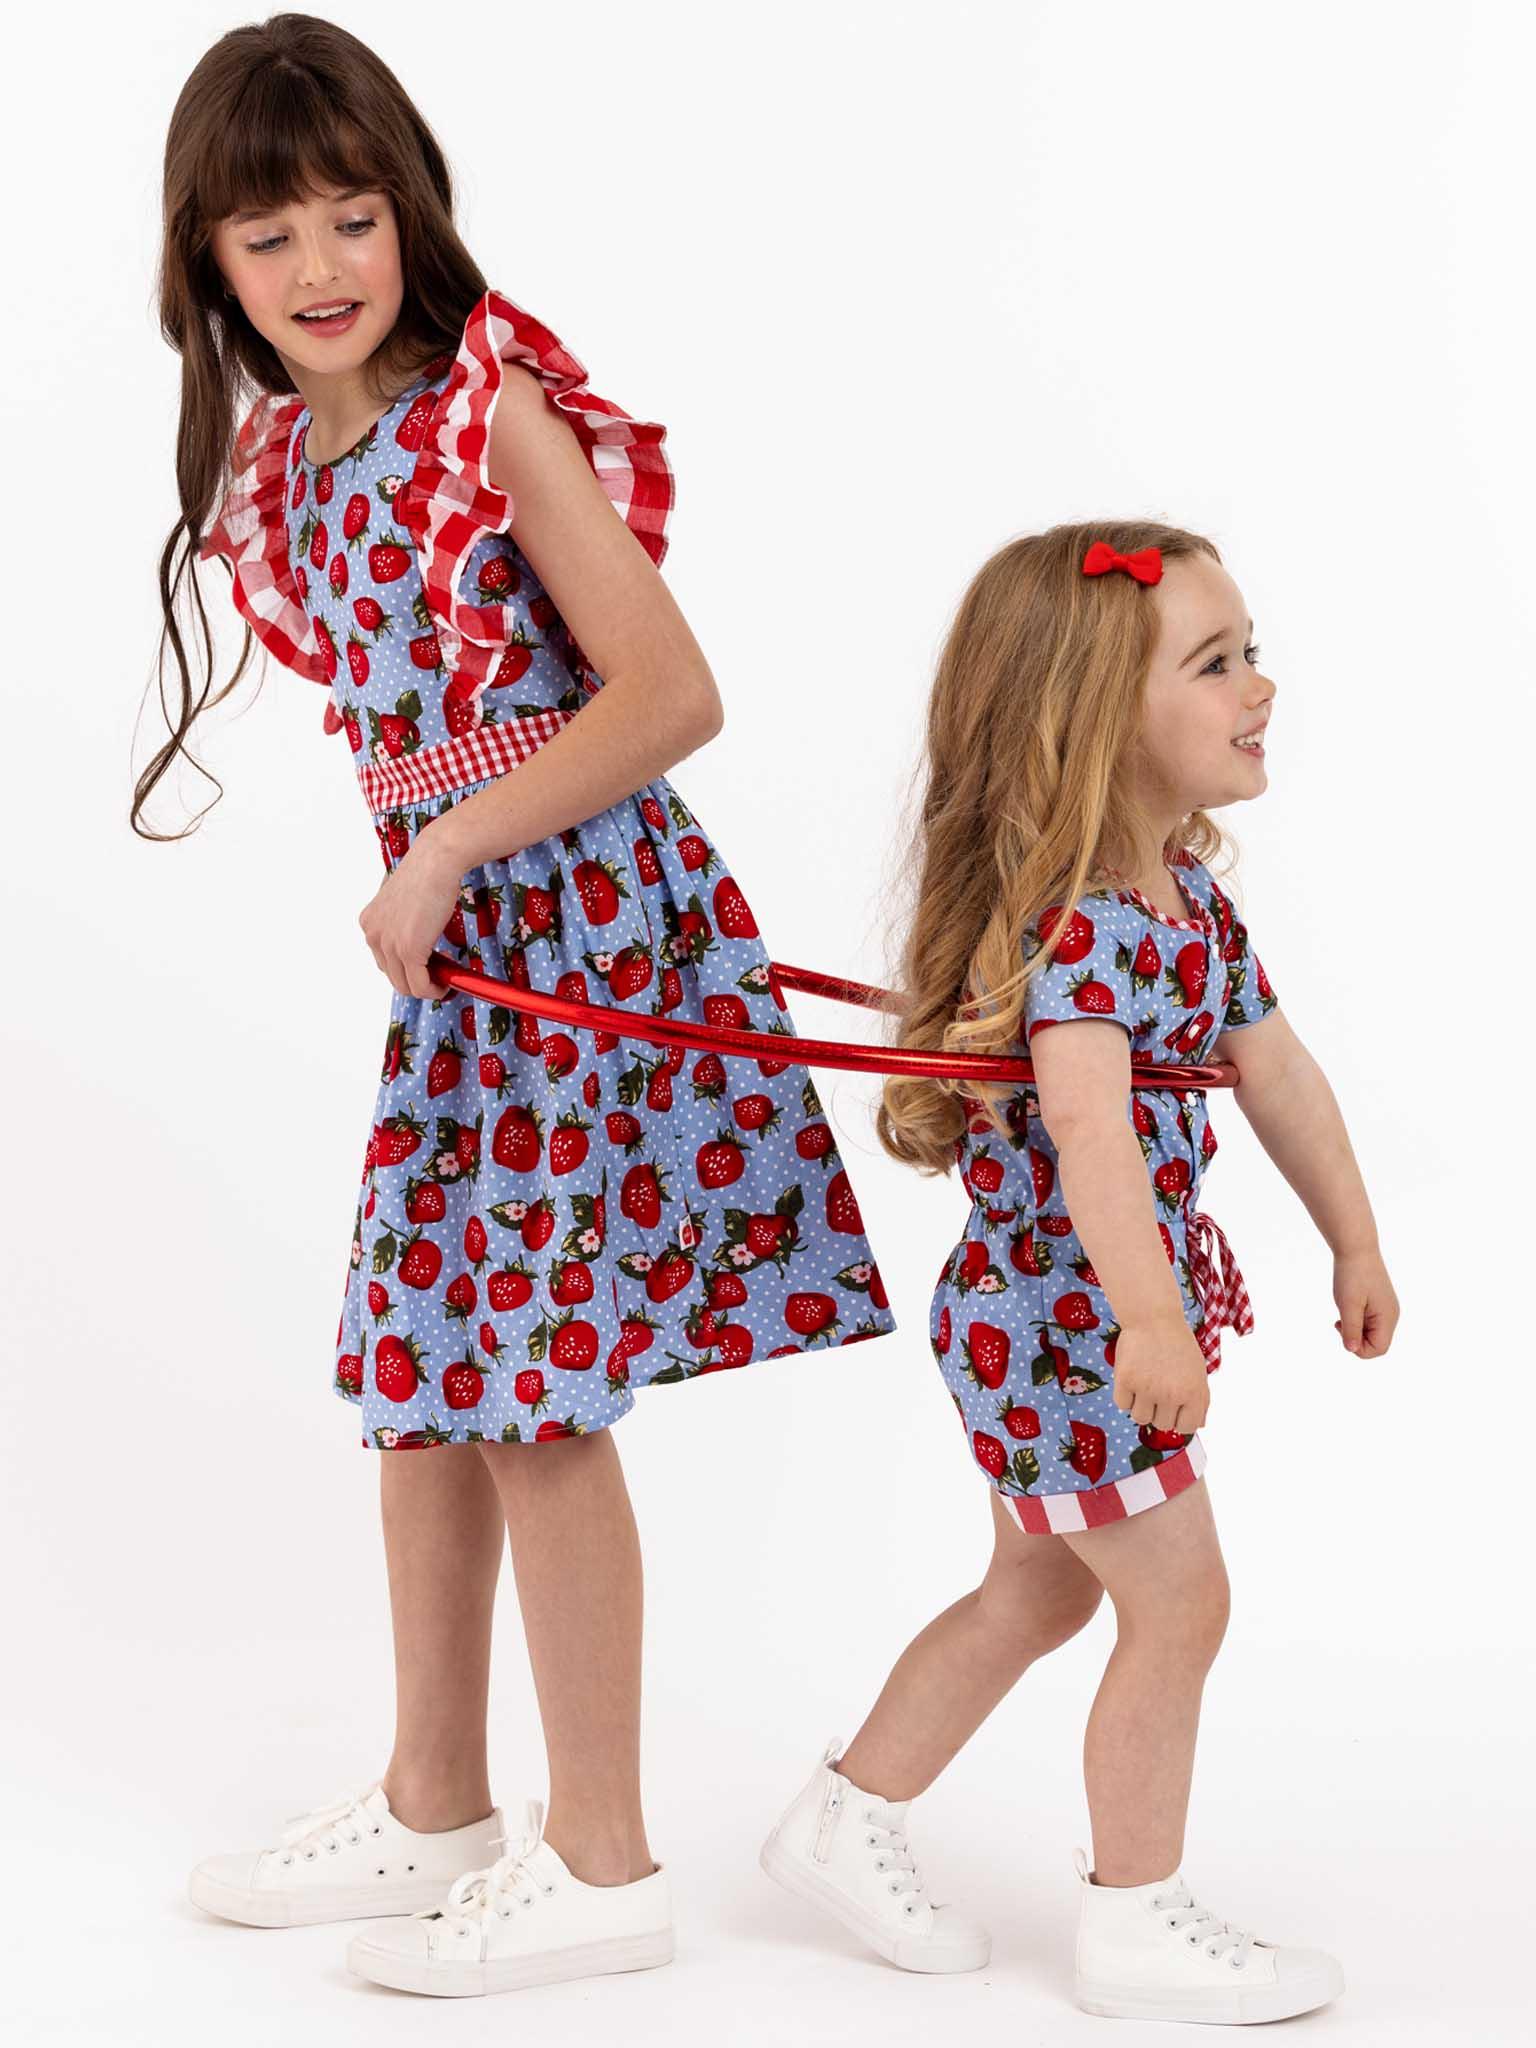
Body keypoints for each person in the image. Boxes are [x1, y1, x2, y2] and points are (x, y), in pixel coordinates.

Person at [141, 15, 895, 2000]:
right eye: (265, 234)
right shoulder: (289, 456)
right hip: (473, 959)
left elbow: (666, 695)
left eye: (350, 215)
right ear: (205, 268)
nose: (317, 265)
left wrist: (447, 847)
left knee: (533, 1393)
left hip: (576, 941)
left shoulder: (491, 412)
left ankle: (608, 1859)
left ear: (412, 218)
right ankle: (432, 1800)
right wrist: (435, 870)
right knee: (421, 1375)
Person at [759, 526, 1399, 2025]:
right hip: (1068, 1333)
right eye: (1219, 661)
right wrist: (1150, 1319)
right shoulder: (1089, 938)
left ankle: (845, 1819)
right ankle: (1136, 1918)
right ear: (1099, 719)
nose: (1263, 686)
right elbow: (1092, 1135)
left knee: (1037, 1591)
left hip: (1059, 1326)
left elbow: (1280, 1075)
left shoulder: (1184, 903)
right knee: (1180, 1605)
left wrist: (1354, 1236)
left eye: (1252, 650)